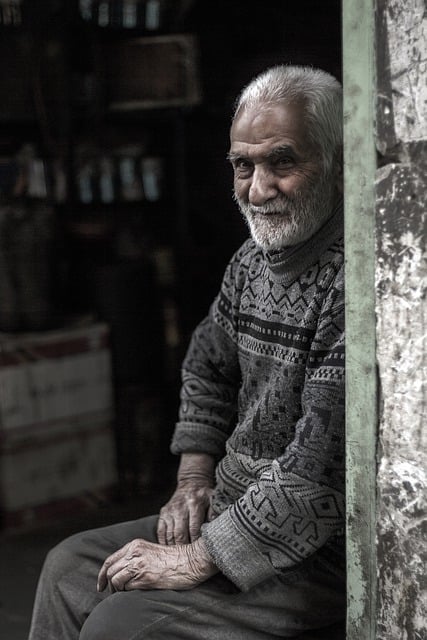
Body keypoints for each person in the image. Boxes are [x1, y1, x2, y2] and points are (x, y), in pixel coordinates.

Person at [28, 64, 345, 640]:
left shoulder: (353, 281)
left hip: (316, 553)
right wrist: (193, 476)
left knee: (120, 625)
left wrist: (197, 559)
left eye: (283, 161)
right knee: (68, 570)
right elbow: (207, 364)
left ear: (334, 161)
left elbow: (317, 473)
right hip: (228, 508)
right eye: (243, 165)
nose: (258, 188)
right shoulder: (250, 264)